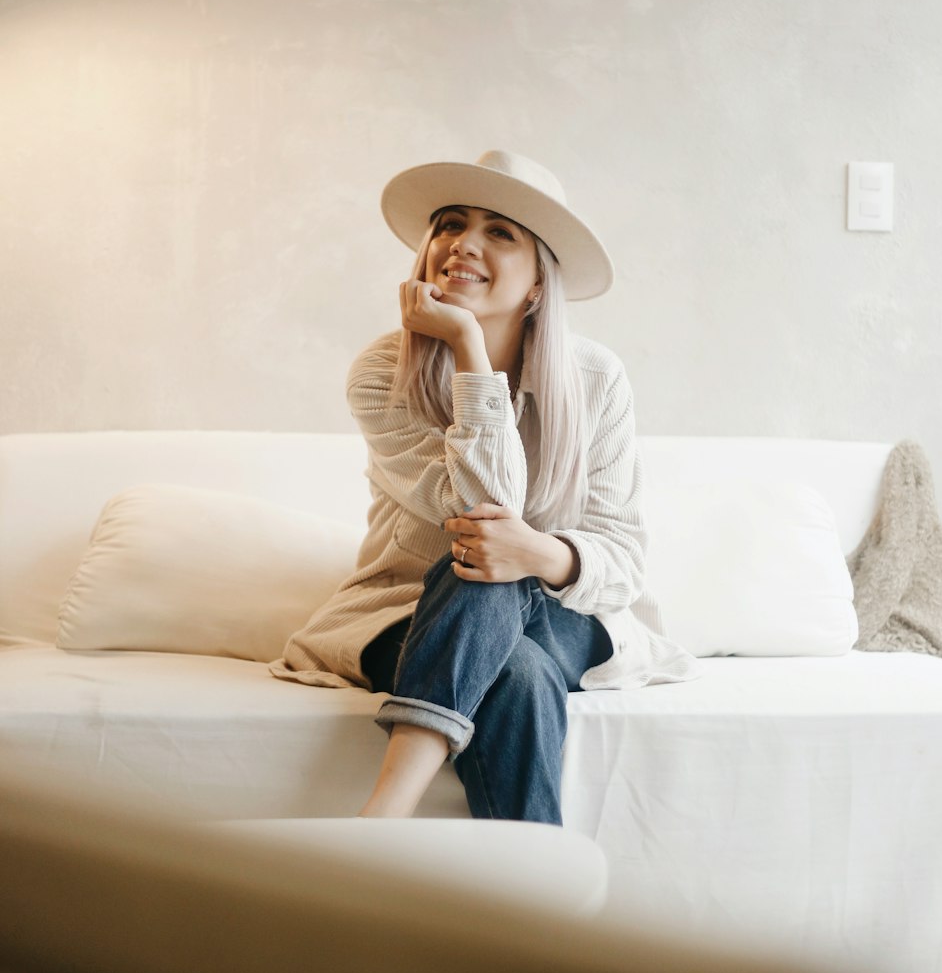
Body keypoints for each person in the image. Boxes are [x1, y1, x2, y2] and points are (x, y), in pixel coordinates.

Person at [269, 149, 699, 822]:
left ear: (537, 284)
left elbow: (620, 558)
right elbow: (478, 509)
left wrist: (534, 555)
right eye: (450, 224)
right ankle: (531, 917)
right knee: (513, 657)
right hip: (410, 614)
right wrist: (468, 347)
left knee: (494, 564)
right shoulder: (384, 372)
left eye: (500, 231)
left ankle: (380, 816)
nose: (463, 244)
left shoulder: (596, 380)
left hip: (565, 612)